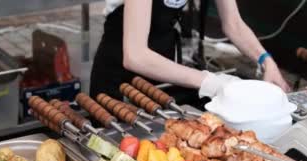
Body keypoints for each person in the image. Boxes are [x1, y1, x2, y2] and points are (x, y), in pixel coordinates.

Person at [90, 0, 290, 101]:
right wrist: (211, 82)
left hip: (162, 68)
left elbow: (234, 24)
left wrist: (266, 61)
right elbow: (135, 55)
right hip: (117, 73)